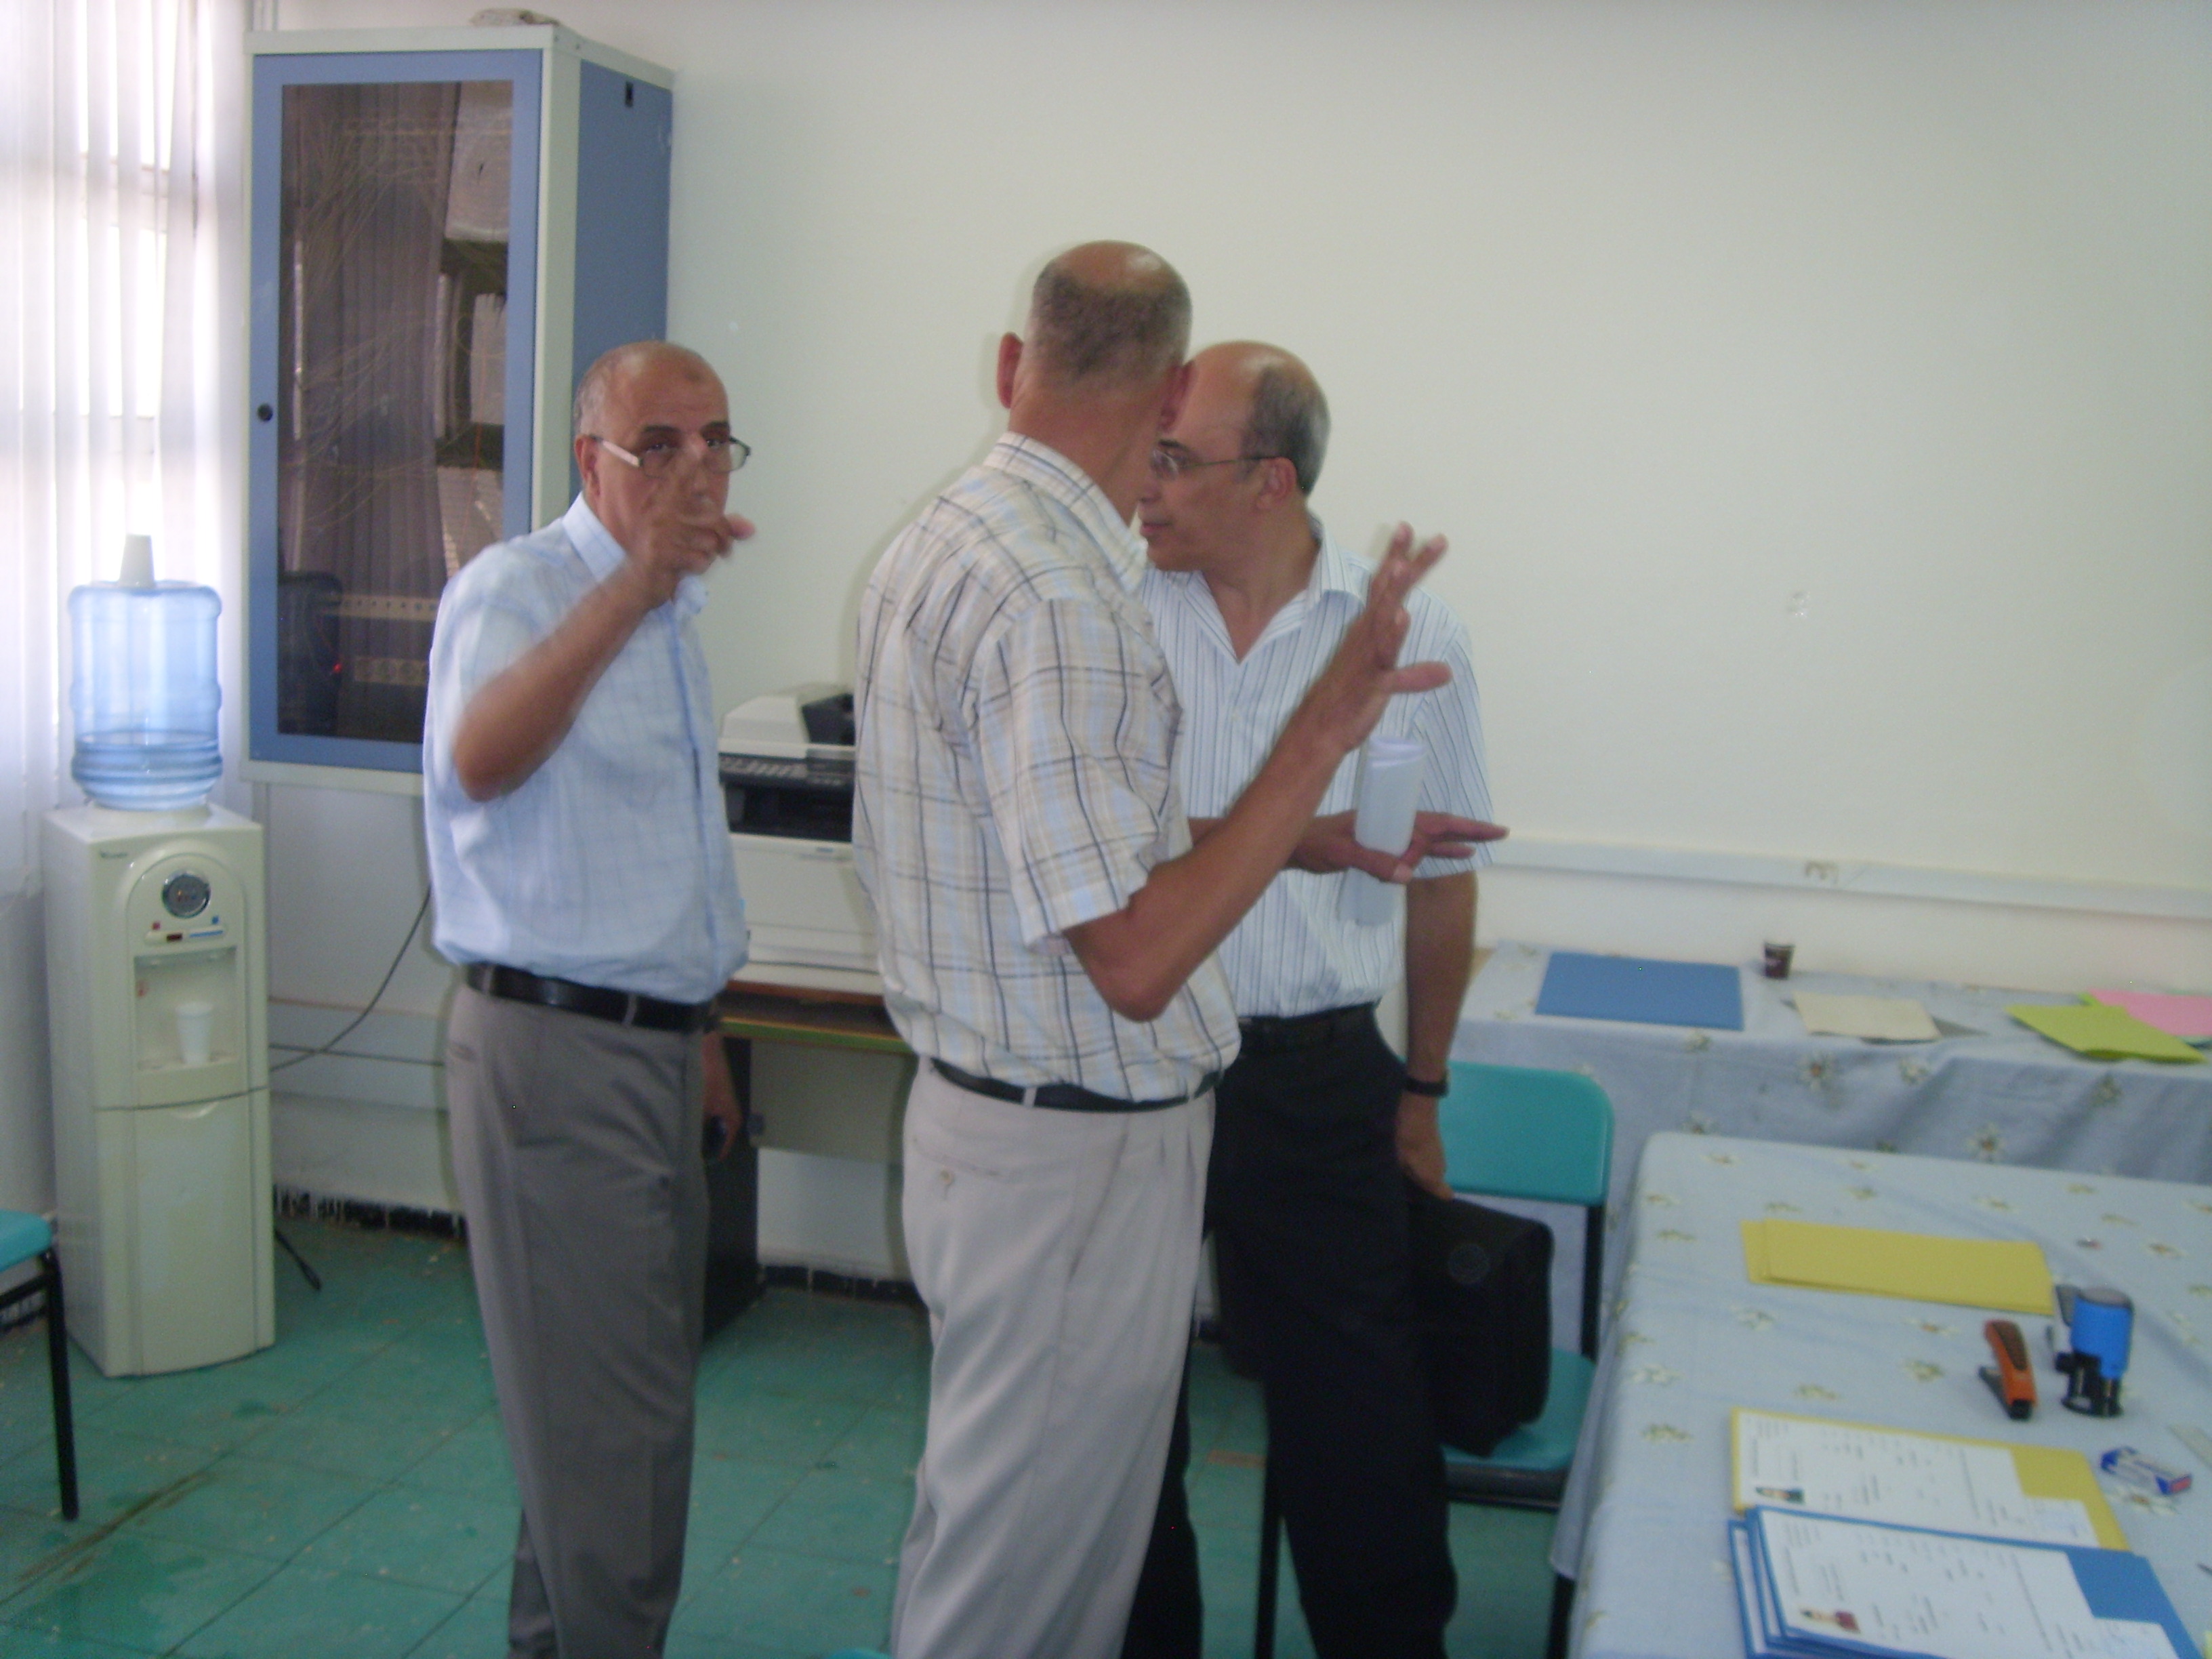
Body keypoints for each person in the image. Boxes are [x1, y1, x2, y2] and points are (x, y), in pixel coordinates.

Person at [853, 245, 1464, 1659]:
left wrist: (1296, 840)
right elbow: (1134, 963)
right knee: (1020, 1591)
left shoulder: (952, 534)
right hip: (1069, 1156)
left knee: (1024, 1548)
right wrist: (1322, 734)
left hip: (1003, 1131)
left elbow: (1075, 840)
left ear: (1016, 365)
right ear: (1171, 390)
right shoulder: (1065, 597)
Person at [1125, 342, 1502, 1659]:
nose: (1144, 483)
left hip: (1316, 1076)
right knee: (1124, 1420)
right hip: (1139, 1062)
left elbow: (1441, 880)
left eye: (1176, 460)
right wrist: (1291, 832)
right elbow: (1105, 842)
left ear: (1270, 481)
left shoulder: (1405, 636)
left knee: (1361, 1427)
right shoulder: (1113, 611)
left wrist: (1425, 1089)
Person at [422, 340, 754, 1658]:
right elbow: (479, 758)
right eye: (658, 445)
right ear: (589, 462)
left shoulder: (670, 616)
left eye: (716, 441)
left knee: (605, 1430)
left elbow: (666, 842)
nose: (696, 469)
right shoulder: (520, 587)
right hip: (554, 1057)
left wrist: (702, 1032)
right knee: (615, 1451)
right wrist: (634, 586)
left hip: (649, 1049)